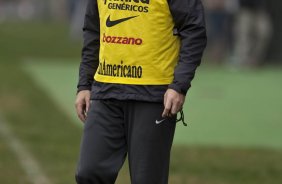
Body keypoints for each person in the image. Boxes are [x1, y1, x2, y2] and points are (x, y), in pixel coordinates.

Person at [75, 0, 207, 183]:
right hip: (106, 89)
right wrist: (85, 84)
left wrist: (179, 85)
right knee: (89, 173)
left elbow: (194, 30)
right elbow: (93, 29)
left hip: (153, 96)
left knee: (148, 179)